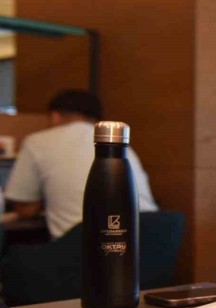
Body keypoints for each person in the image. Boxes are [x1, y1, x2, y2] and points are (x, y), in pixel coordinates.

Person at [4, 89, 158, 238]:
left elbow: (26, 209)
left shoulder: (38, 141)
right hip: (154, 233)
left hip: (89, 240)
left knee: (15, 253)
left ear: (55, 116)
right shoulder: (118, 142)